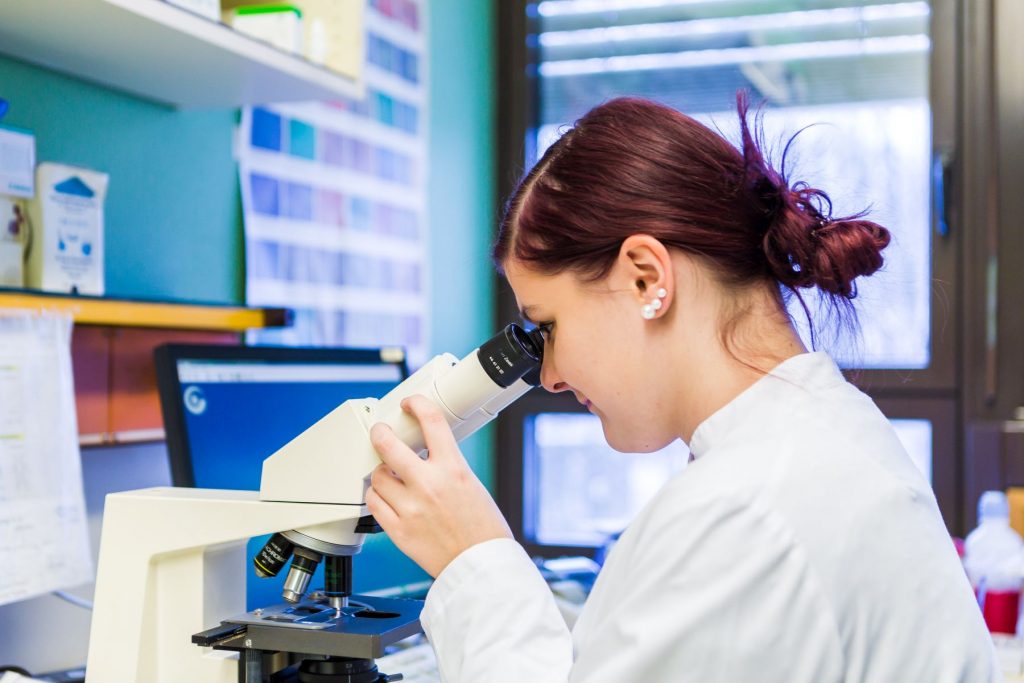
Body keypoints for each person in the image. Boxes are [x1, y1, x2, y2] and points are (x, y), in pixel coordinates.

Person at [365, 94, 997, 682]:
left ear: (645, 278)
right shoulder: (815, 440)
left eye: (548, 327)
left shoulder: (743, 513)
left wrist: (473, 561)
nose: (550, 377)